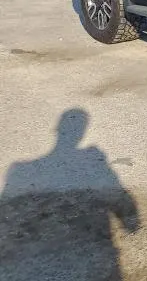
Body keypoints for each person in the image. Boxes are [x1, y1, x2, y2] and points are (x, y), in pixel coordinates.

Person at [0, 108, 139, 281]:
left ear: (57, 130)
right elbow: (118, 196)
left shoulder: (19, 171)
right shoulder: (93, 159)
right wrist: (130, 222)